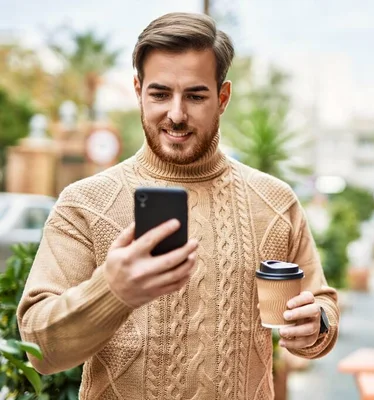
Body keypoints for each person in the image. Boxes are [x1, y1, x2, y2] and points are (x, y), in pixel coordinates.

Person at [17, 12, 339, 400]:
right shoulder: (84, 203)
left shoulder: (274, 201)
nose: (176, 114)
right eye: (159, 93)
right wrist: (112, 290)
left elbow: (321, 303)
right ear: (138, 91)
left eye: (195, 95)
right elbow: (41, 349)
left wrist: (316, 325)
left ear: (222, 98)